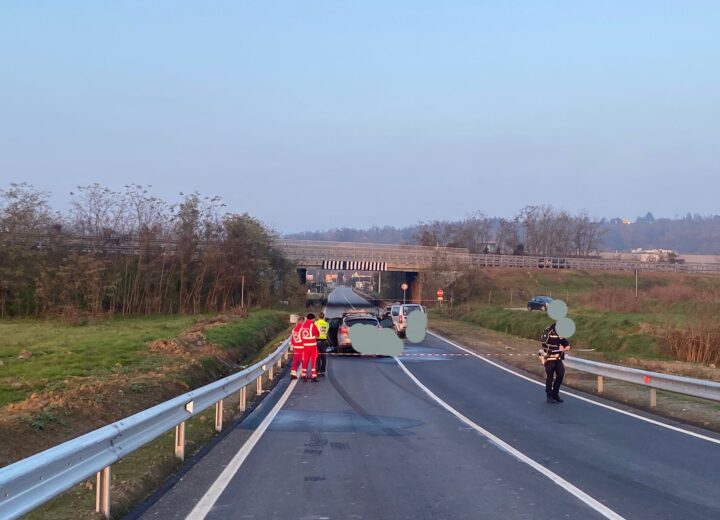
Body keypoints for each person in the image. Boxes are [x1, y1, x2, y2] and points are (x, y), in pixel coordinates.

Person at [540, 323, 572, 403]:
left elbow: (564, 341)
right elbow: (544, 344)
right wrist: (558, 348)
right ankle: (549, 395)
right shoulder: (548, 331)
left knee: (561, 374)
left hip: (558, 358)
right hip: (549, 358)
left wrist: (568, 346)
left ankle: (555, 393)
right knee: (550, 376)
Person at [300, 312, 320, 382]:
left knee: (305, 361)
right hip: (312, 346)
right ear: (312, 319)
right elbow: (318, 334)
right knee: (313, 361)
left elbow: (300, 335)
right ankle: (313, 376)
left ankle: (303, 376)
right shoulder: (312, 325)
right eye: (314, 319)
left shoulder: (303, 325)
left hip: (305, 346)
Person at [315, 312, 330, 376]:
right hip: (324, 341)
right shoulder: (327, 324)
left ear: (318, 317)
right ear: (324, 317)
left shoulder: (316, 323)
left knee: (317, 356)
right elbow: (327, 332)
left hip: (317, 341)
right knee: (323, 356)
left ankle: (318, 371)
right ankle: (323, 371)